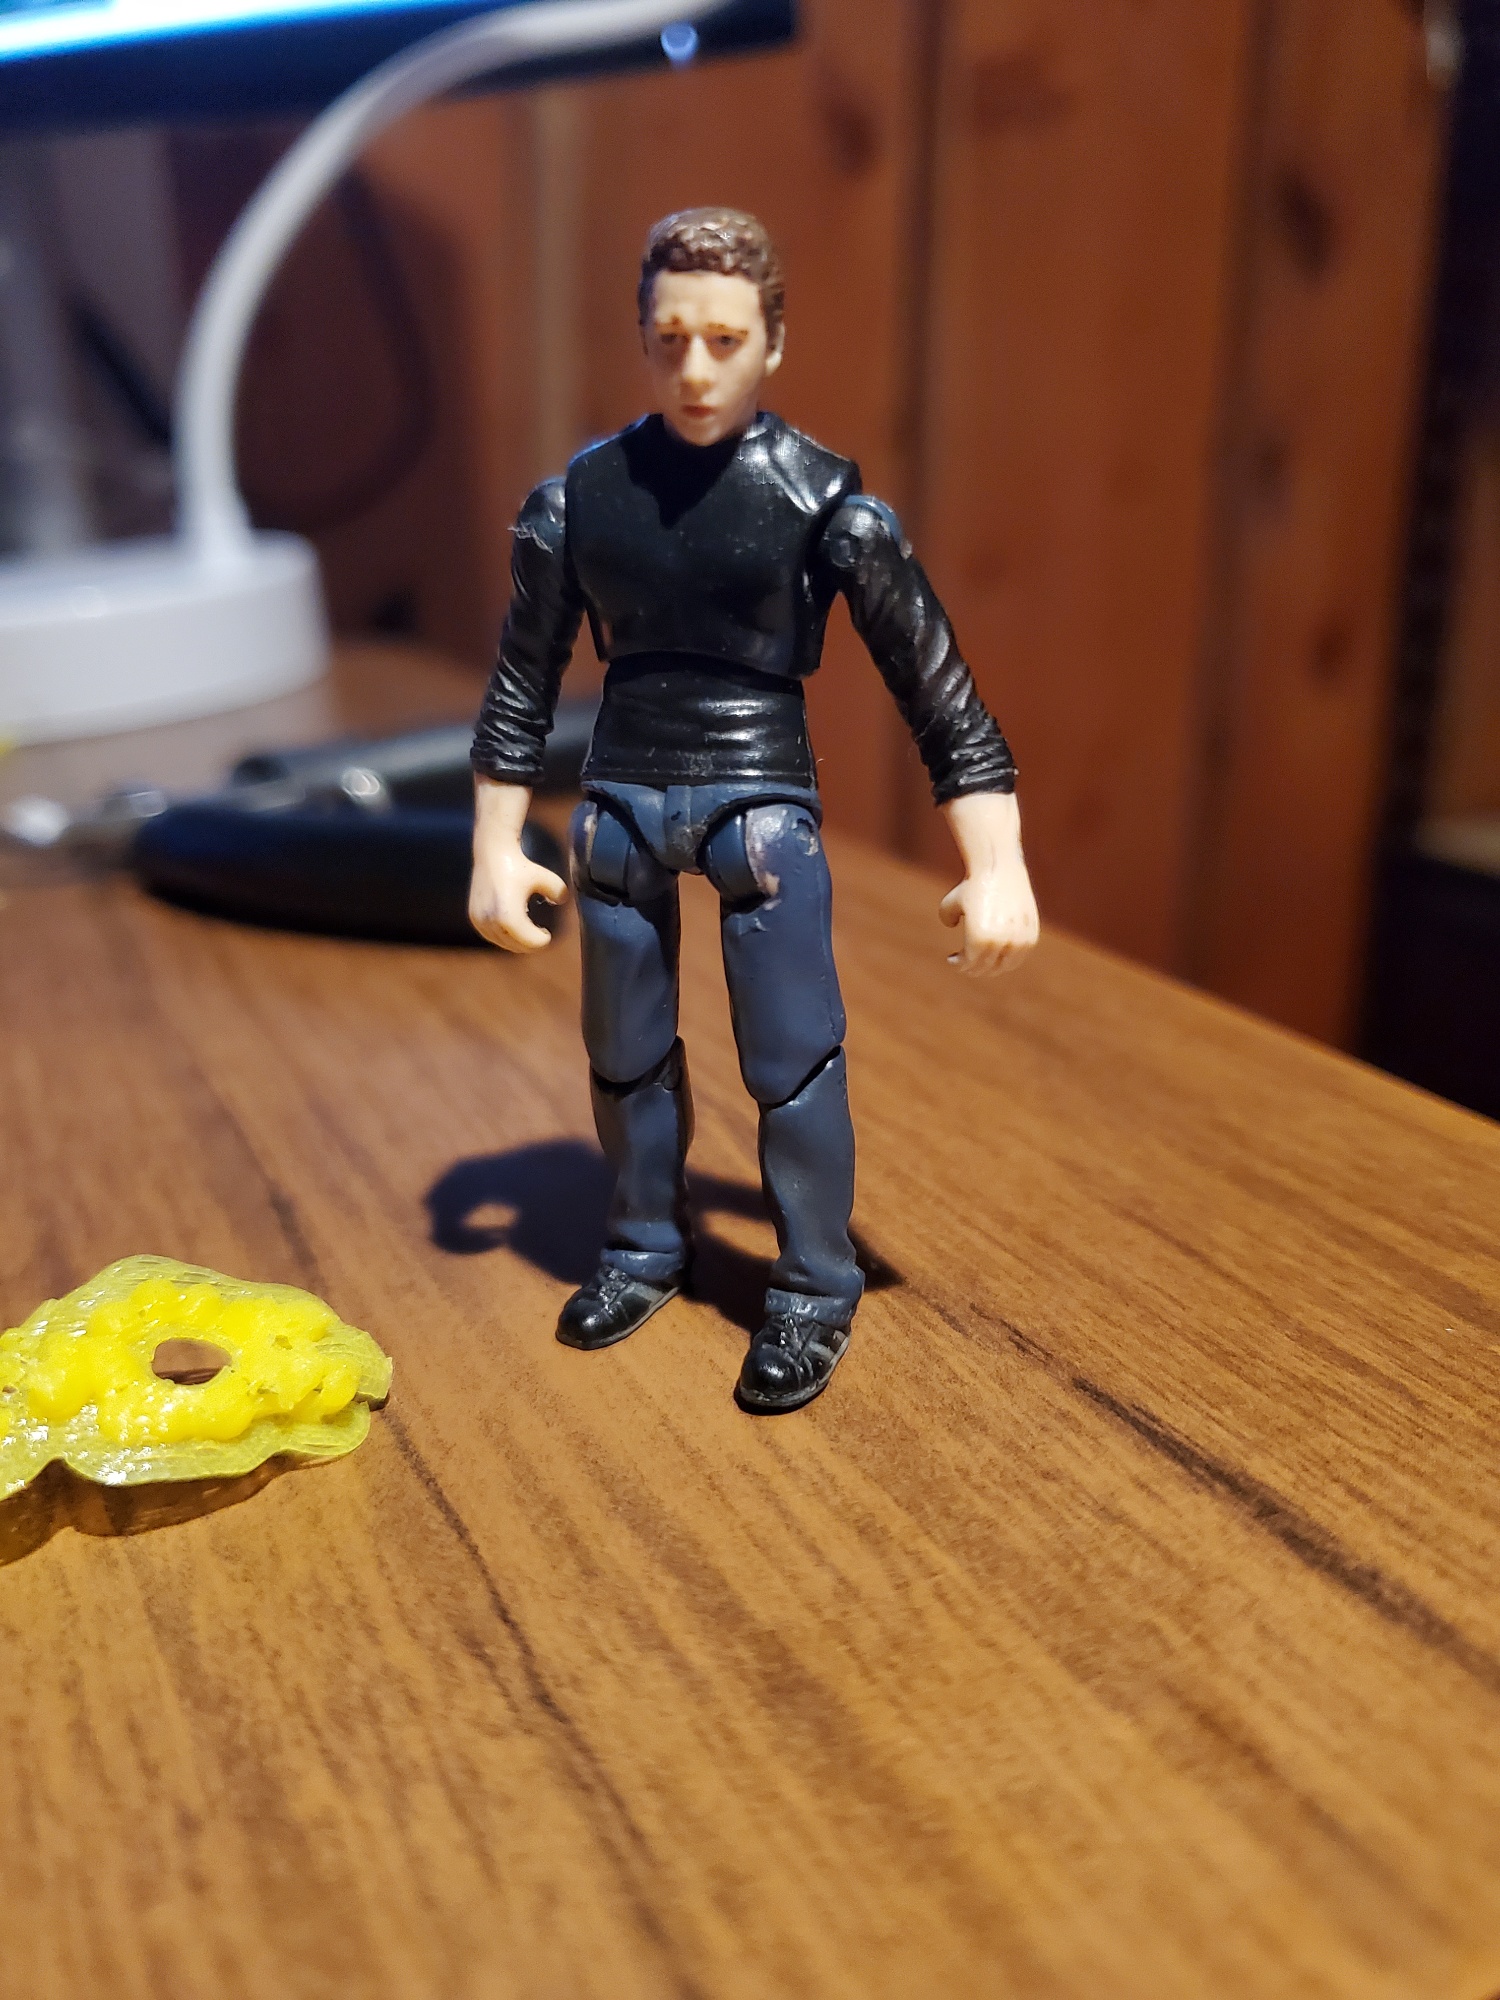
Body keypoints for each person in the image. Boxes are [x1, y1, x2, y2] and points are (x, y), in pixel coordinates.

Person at [469, 207, 1038, 1413]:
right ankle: (643, 1241)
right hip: (620, 800)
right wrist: (493, 843)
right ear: (642, 335)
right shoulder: (583, 500)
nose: (695, 368)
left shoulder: (824, 504)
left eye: (724, 340)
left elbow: (939, 690)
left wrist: (998, 862)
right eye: (671, 338)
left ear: (772, 342)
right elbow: (522, 679)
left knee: (792, 1062)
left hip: (759, 808)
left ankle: (816, 1281)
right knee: (624, 1051)